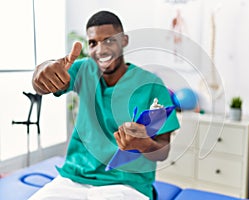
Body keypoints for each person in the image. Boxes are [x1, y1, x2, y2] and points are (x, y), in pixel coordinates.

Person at [30, 10, 180, 200]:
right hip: (74, 179)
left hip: (126, 183)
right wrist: (42, 72)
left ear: (124, 40)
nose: (101, 49)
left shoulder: (151, 85)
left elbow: (162, 151)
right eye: (93, 43)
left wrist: (144, 144)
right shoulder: (84, 70)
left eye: (109, 40)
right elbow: (42, 84)